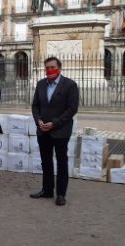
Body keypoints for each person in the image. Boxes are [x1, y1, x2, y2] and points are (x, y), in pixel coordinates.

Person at [31, 57, 79, 206]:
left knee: (61, 162)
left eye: (52, 67)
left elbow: (72, 109)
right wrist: (38, 121)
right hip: (43, 130)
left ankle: (60, 194)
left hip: (60, 131)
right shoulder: (40, 85)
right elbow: (35, 106)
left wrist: (54, 123)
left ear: (59, 68)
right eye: (47, 68)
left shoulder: (70, 85)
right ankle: (47, 190)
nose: (49, 70)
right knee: (46, 162)